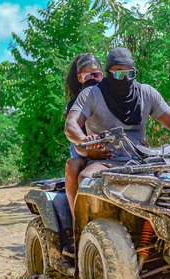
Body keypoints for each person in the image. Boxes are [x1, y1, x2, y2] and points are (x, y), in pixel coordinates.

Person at [64, 47, 170, 187]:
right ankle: (78, 210)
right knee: (87, 179)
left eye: (129, 73)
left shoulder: (147, 93)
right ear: (108, 73)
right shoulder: (91, 94)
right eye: (119, 74)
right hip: (107, 161)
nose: (125, 79)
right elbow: (71, 124)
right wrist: (84, 139)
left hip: (142, 159)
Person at [63, 54, 113, 217]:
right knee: (73, 165)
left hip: (110, 150)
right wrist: (88, 152)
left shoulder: (111, 97)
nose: (93, 79)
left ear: (102, 75)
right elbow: (76, 137)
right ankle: (77, 218)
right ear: (80, 78)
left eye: (96, 75)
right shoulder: (75, 104)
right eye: (87, 76)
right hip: (84, 150)